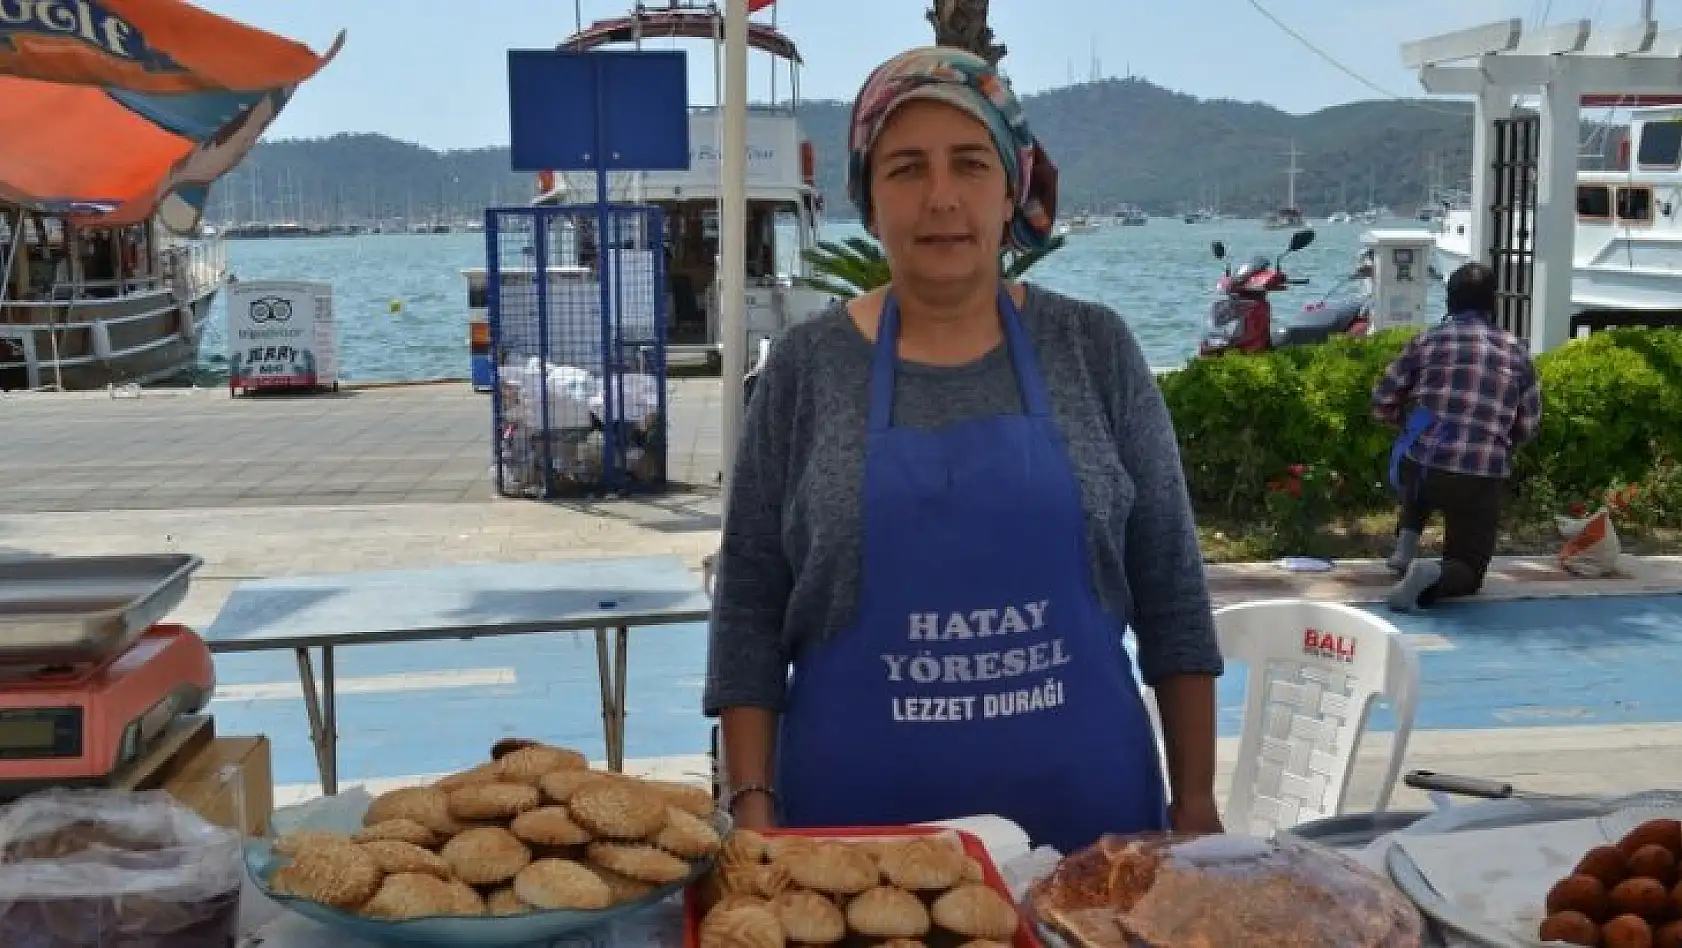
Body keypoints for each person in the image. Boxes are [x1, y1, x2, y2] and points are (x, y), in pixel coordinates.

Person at [703, 46, 1224, 855]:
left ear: (1011, 187)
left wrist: (1194, 806)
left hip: (1093, 840)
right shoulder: (807, 368)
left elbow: (1173, 597)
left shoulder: (1094, 348)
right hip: (850, 852)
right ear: (868, 203)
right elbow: (747, 611)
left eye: (970, 164)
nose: (940, 198)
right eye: (906, 168)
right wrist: (754, 810)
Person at [1372, 261, 1542, 612]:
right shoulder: (1516, 351)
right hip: (1480, 477)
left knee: (1419, 445)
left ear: (1449, 302)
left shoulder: (1426, 342)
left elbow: (1382, 402)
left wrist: (1408, 423)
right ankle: (1432, 574)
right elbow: (1528, 424)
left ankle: (1405, 546)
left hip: (1421, 470)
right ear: (1492, 304)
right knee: (1468, 568)